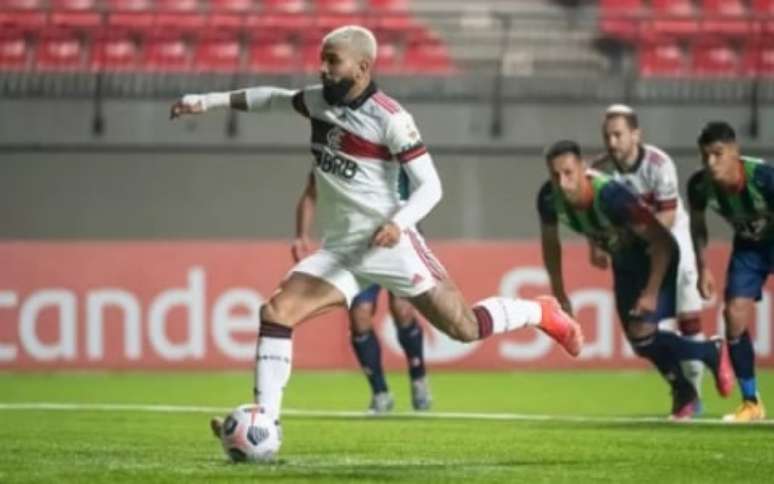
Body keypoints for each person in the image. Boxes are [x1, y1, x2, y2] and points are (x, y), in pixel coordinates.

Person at [170, 25, 583, 439]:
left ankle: (541, 312)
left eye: (333, 61)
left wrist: (397, 224)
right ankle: (266, 425)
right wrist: (206, 101)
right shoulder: (317, 101)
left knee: (464, 328)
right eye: (322, 59)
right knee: (275, 313)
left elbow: (432, 187)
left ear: (362, 67)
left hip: (393, 246)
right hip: (342, 251)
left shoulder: (391, 119)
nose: (324, 69)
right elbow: (271, 99)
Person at [537, 139, 733, 419]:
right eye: (555, 175)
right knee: (640, 341)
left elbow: (661, 243)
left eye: (568, 173)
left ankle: (708, 354)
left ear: (582, 169)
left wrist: (652, 291)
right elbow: (551, 245)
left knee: (642, 332)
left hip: (657, 257)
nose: (562, 182)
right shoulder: (548, 198)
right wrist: (559, 291)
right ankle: (686, 391)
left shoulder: (612, 197)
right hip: (625, 261)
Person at [592, 104, 708, 411]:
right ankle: (686, 383)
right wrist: (599, 245)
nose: (612, 142)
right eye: (607, 135)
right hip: (632, 244)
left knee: (685, 290)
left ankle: (692, 392)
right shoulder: (600, 170)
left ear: (636, 135)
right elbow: (594, 216)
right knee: (640, 331)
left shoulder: (658, 164)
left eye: (618, 134)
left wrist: (641, 250)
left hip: (669, 235)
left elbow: (667, 217)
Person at [292, 171, 431, 413]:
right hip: (357, 245)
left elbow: (427, 189)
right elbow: (311, 193)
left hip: (399, 241)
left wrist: (408, 224)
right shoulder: (336, 152)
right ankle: (380, 392)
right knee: (360, 317)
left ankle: (418, 378)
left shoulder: (395, 149)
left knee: (402, 309)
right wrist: (302, 235)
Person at [688, 121, 774, 422]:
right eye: (705, 156)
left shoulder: (764, 178)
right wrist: (702, 268)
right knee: (733, 314)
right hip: (749, 248)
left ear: (735, 152)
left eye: (718, 154)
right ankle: (751, 402)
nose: (710, 163)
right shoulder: (700, 186)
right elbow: (697, 226)